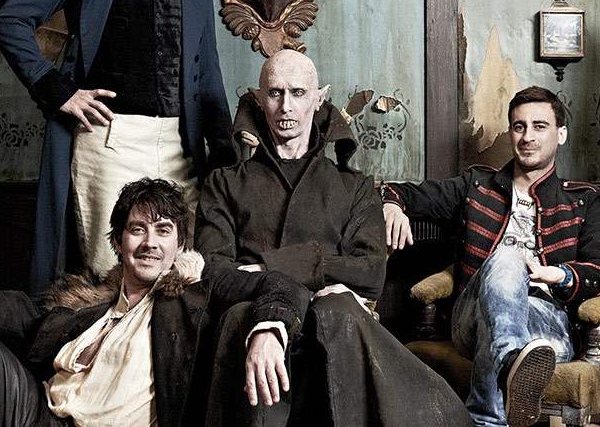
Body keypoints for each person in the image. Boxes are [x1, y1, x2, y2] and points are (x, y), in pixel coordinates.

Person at [195, 49, 472, 427]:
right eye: (275, 93)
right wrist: (278, 305)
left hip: (333, 329)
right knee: (242, 318)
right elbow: (213, 272)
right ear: (259, 100)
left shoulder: (354, 186)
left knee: (337, 311)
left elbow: (370, 272)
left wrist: (265, 266)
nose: (286, 106)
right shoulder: (224, 183)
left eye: (298, 93)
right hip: (249, 319)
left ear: (319, 98)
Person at [0, 0, 232, 292]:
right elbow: (11, 20)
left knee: (180, 280)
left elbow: (208, 78)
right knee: (113, 279)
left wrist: (223, 154)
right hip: (109, 142)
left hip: (180, 147)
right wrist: (59, 90)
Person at [0, 177, 311, 427]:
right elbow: (22, 312)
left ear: (180, 244)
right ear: (118, 242)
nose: (150, 243)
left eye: (163, 231)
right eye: (138, 229)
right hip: (42, 413)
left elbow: (283, 285)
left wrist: (268, 331)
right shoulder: (94, 304)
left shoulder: (195, 292)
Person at [381, 85, 600, 427]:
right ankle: (512, 361)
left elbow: (597, 269)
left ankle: (489, 415)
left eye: (539, 126)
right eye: (519, 126)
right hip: (472, 314)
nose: (527, 137)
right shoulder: (477, 185)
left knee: (495, 325)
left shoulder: (584, 200)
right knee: (507, 258)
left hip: (547, 329)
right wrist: (391, 205)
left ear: (561, 134)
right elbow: (401, 191)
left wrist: (560, 274)